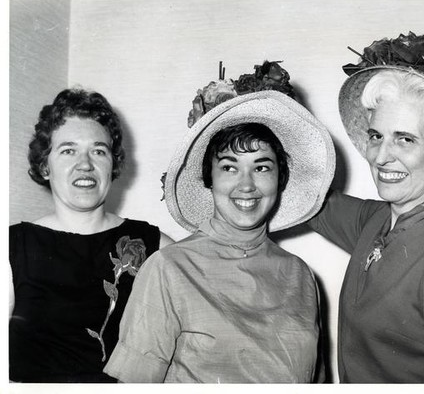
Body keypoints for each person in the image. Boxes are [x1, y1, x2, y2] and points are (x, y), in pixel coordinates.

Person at [104, 71, 336, 382]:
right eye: (229, 167)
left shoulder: (300, 275)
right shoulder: (168, 268)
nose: (247, 184)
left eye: (262, 167)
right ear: (209, 180)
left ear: (280, 180)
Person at [308, 32, 424, 383]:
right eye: (377, 136)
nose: (380, 156)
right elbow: (308, 201)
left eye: (404, 139)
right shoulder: (378, 221)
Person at [9, 87, 173, 383]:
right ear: (45, 165)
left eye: (99, 150)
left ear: (113, 164)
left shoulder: (154, 244)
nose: (85, 164)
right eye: (68, 150)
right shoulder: (11, 248)